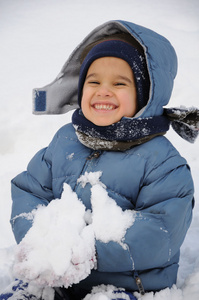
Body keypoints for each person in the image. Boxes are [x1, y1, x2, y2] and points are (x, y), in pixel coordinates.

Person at [1, 20, 198, 300]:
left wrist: (89, 249)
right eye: (93, 82)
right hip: (54, 275)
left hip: (127, 284)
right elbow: (29, 192)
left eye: (119, 83)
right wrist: (40, 241)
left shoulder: (162, 160)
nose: (103, 90)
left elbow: (161, 231)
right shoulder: (65, 141)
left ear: (145, 96)